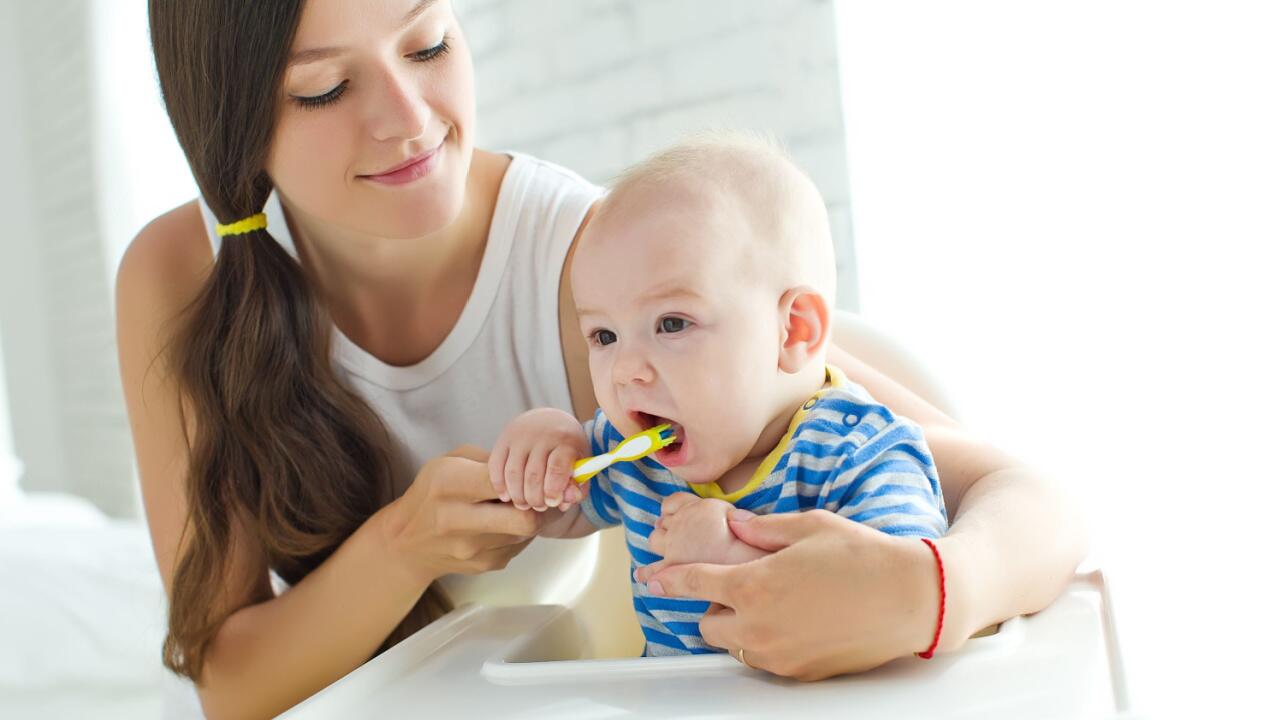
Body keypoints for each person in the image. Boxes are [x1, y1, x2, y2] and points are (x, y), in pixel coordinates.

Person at [116, 0, 1086, 717]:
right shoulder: (178, 277)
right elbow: (231, 684)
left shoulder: (600, 276)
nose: (409, 118)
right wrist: (405, 542)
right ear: (234, 126)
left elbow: (1025, 498)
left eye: (428, 44)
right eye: (325, 87)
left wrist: (924, 590)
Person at [489, 132, 949, 657]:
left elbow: (895, 606)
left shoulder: (862, 454)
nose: (626, 371)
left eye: (671, 323)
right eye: (604, 337)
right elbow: (563, 509)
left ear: (793, 332)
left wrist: (736, 560)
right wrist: (544, 455)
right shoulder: (632, 450)